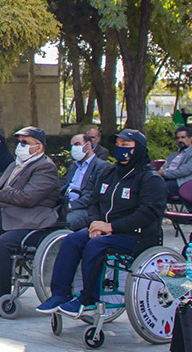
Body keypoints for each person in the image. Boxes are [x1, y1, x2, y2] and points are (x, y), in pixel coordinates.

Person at [37, 129, 167, 317]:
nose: (120, 149)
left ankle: (89, 298)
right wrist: (96, 223)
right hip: (105, 230)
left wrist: (112, 227)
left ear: (138, 149)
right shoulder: (110, 172)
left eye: (126, 145)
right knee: (71, 240)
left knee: (95, 246)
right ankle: (60, 294)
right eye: (118, 145)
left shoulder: (150, 179)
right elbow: (93, 202)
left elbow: (147, 213)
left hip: (136, 236)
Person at [0, 127, 61, 317]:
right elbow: (0, 193)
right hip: (10, 216)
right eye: (19, 142)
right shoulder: (16, 164)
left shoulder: (45, 167)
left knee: (3, 244)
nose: (19, 146)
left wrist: (2, 195)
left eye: (25, 143)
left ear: (38, 147)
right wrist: (2, 195)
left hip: (34, 223)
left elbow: (27, 198)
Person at [61, 132, 113, 231]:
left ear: (88, 145)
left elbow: (94, 195)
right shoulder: (73, 167)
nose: (73, 148)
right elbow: (64, 186)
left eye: (77, 144)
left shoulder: (101, 167)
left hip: (85, 209)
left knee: (63, 222)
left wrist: (71, 205)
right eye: (72, 145)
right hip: (65, 204)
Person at [160, 125, 192, 199]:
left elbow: (184, 171)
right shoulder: (173, 155)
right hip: (167, 180)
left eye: (183, 137)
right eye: (178, 138)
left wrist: (164, 173)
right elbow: (164, 167)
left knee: (155, 188)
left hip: (183, 184)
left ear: (190, 139)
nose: (180, 140)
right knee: (146, 185)